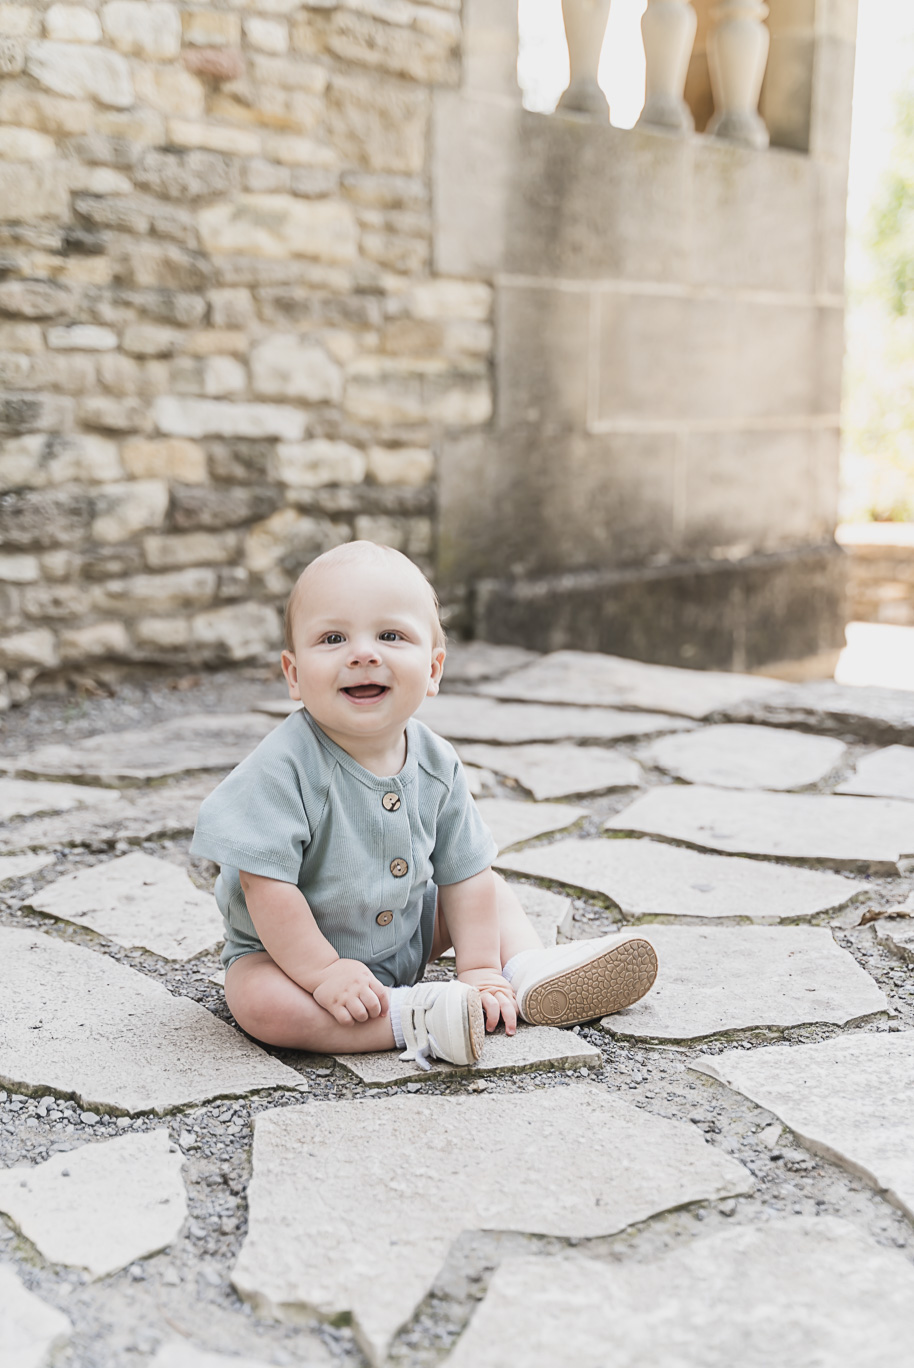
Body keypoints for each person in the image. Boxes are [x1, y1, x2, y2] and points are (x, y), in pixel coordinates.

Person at [191, 541, 657, 1070]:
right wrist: (324, 972)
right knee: (259, 1003)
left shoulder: (437, 762)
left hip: (408, 931)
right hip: (288, 958)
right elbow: (263, 885)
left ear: (433, 668)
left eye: (391, 636)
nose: (363, 653)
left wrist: (477, 966)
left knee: (490, 889)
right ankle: (410, 1016)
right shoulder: (282, 767)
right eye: (332, 638)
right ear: (294, 675)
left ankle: (525, 974)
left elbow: (465, 873)